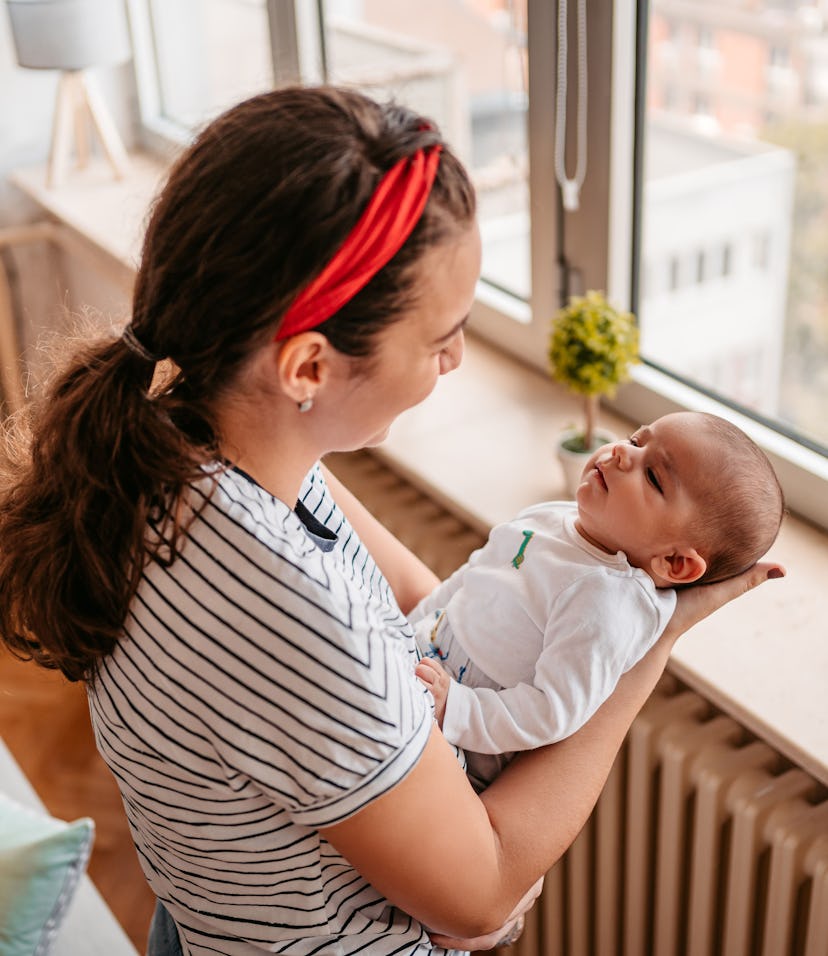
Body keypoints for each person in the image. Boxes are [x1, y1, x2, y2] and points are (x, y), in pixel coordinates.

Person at [0, 85, 784, 956]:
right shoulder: (283, 605)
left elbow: (414, 596)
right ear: (308, 366)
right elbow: (481, 897)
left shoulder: (184, 440)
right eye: (442, 335)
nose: (456, 359)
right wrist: (652, 642)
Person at [413, 411, 784, 788]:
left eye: (653, 476)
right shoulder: (553, 516)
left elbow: (552, 710)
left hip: (459, 743)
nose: (622, 453)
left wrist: (454, 709)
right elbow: (470, 578)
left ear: (675, 562)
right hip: (421, 657)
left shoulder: (607, 602)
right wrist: (407, 624)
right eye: (637, 440)